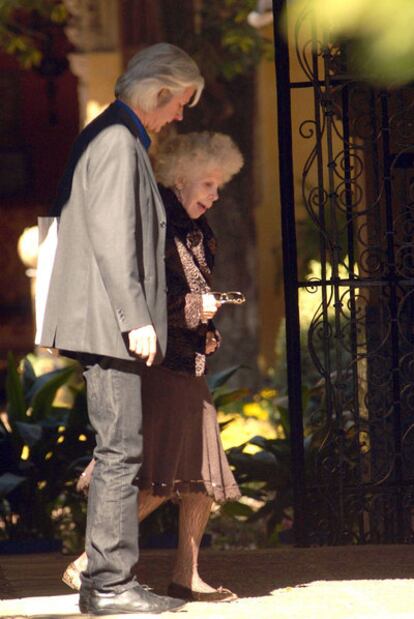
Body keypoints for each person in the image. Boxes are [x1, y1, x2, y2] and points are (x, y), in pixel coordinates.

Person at [38, 43, 204, 616]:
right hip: (108, 321)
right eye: (179, 103)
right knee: (120, 451)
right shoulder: (115, 139)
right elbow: (112, 238)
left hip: (102, 318)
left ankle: (104, 584)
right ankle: (110, 586)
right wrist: (136, 318)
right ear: (159, 92)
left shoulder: (117, 135)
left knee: (119, 448)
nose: (180, 115)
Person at [62, 131, 244, 602]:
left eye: (219, 186)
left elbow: (187, 297)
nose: (215, 195)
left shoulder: (199, 229)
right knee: (169, 473)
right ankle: (91, 562)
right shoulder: (158, 222)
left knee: (197, 474)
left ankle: (186, 575)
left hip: (187, 361)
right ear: (180, 178)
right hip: (158, 364)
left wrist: (205, 327)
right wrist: (191, 310)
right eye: (208, 184)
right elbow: (134, 296)